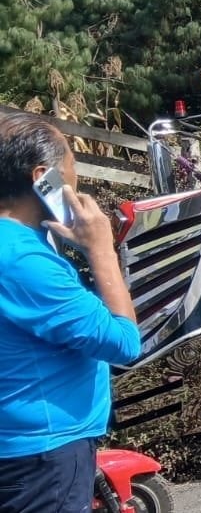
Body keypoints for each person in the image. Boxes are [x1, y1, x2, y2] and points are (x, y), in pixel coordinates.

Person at [0, 113, 141, 513]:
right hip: (43, 455)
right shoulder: (24, 260)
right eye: (71, 168)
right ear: (42, 177)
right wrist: (100, 248)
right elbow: (123, 343)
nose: (74, 182)